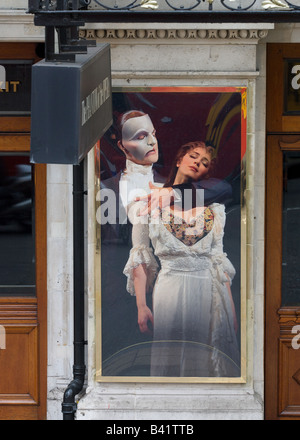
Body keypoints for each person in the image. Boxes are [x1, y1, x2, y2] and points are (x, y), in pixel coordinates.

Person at [123, 141, 240, 378]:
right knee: (171, 353)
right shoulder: (149, 204)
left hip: (208, 289)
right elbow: (140, 255)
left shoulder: (214, 210)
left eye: (204, 162)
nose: (197, 162)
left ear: (207, 172)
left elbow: (218, 261)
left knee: (206, 355)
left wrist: (231, 312)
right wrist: (141, 305)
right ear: (179, 160)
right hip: (170, 289)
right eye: (193, 156)